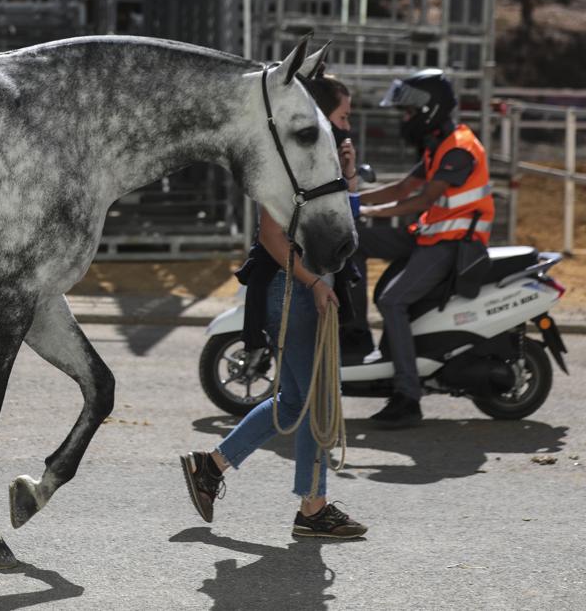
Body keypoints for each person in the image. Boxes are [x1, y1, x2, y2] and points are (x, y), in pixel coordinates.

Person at [182, 74, 367, 539]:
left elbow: (340, 229)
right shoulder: (286, 163)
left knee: (295, 400)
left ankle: (213, 465)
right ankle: (312, 507)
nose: (348, 126)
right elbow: (271, 234)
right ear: (322, 117)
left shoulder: (318, 165)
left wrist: (349, 177)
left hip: (305, 286)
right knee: (315, 401)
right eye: (342, 117)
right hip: (291, 288)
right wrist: (312, 283)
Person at [353, 69, 494, 429]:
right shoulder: (439, 145)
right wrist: (347, 199)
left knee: (392, 301)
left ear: (428, 109)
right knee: (354, 239)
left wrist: (369, 211)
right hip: (430, 236)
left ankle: (408, 396)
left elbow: (421, 200)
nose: (404, 118)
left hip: (453, 245)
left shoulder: (460, 149)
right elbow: (402, 188)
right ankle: (351, 332)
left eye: (408, 111)